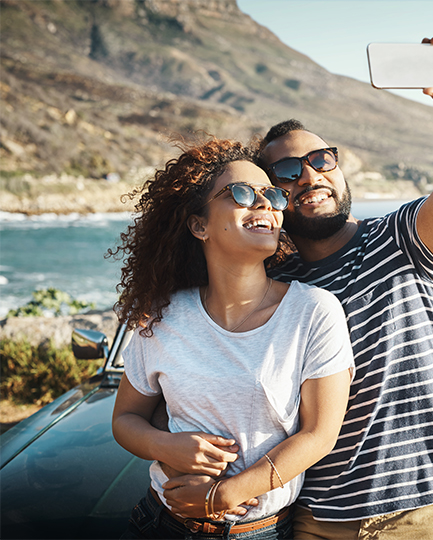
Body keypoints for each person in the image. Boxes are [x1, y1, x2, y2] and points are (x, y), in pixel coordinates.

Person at [255, 32, 433, 539]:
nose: (308, 176)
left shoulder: (400, 239)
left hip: (423, 514)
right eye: (285, 171)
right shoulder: (270, 281)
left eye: (320, 159)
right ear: (270, 195)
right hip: (315, 518)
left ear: (338, 166)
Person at [109, 138, 354, 539]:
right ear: (199, 225)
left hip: (258, 532)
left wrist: (226, 494)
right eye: (240, 193)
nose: (265, 205)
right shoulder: (162, 315)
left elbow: (320, 435)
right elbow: (125, 419)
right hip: (160, 523)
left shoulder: (313, 311)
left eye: (272, 195)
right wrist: (164, 446)